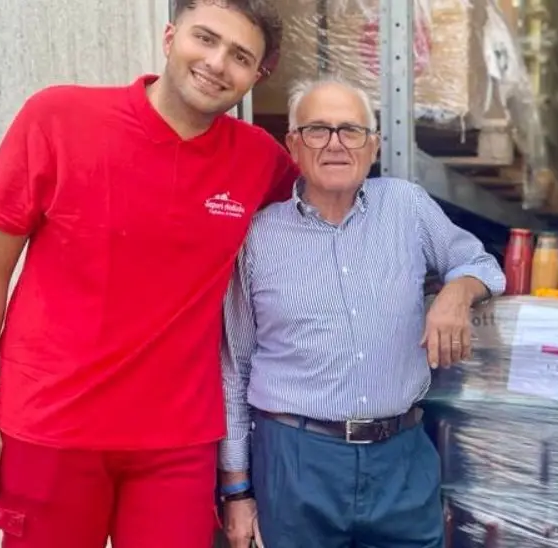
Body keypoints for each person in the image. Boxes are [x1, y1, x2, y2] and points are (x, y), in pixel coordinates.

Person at [0, 1, 297, 547]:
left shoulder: (259, 161)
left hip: (177, 443)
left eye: (240, 56)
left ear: (258, 76)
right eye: (205, 39)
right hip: (51, 428)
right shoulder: (58, 118)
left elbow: (318, 221)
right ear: (169, 35)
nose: (216, 63)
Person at [216, 75, 505, 548]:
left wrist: (457, 293)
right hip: (295, 461)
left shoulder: (406, 207)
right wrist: (236, 492)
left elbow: (479, 263)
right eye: (317, 130)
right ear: (293, 144)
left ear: (374, 146)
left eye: (351, 130)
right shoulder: (258, 236)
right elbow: (235, 370)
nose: (335, 144)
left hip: (401, 458)